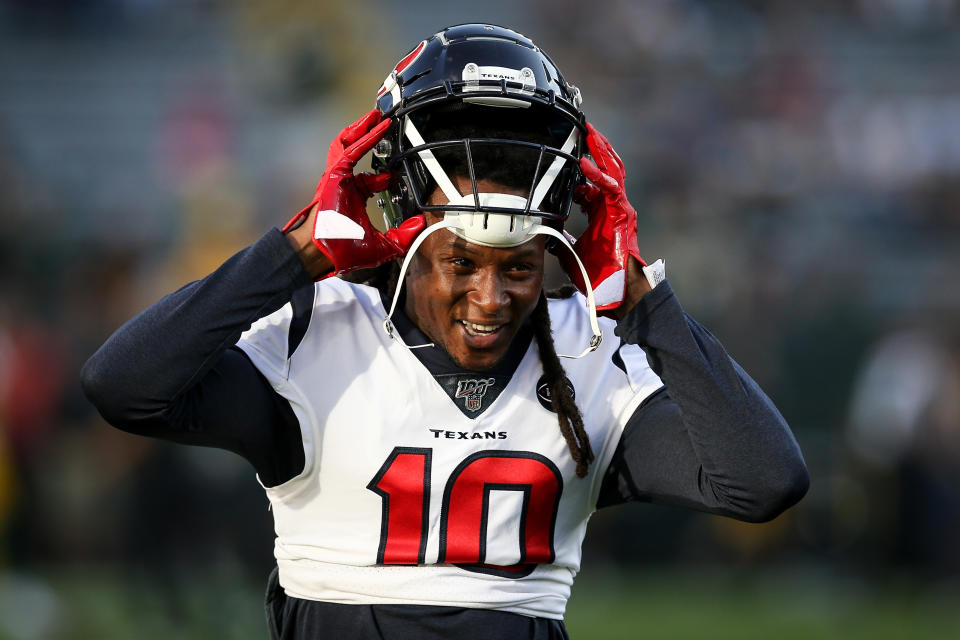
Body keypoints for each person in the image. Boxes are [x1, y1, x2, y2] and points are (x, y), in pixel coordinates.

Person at [81, 23, 808, 640]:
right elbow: (124, 387)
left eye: (519, 268)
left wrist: (645, 297)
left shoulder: (590, 353)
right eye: (461, 262)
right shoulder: (319, 333)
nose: (489, 298)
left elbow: (763, 482)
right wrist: (297, 249)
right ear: (407, 229)